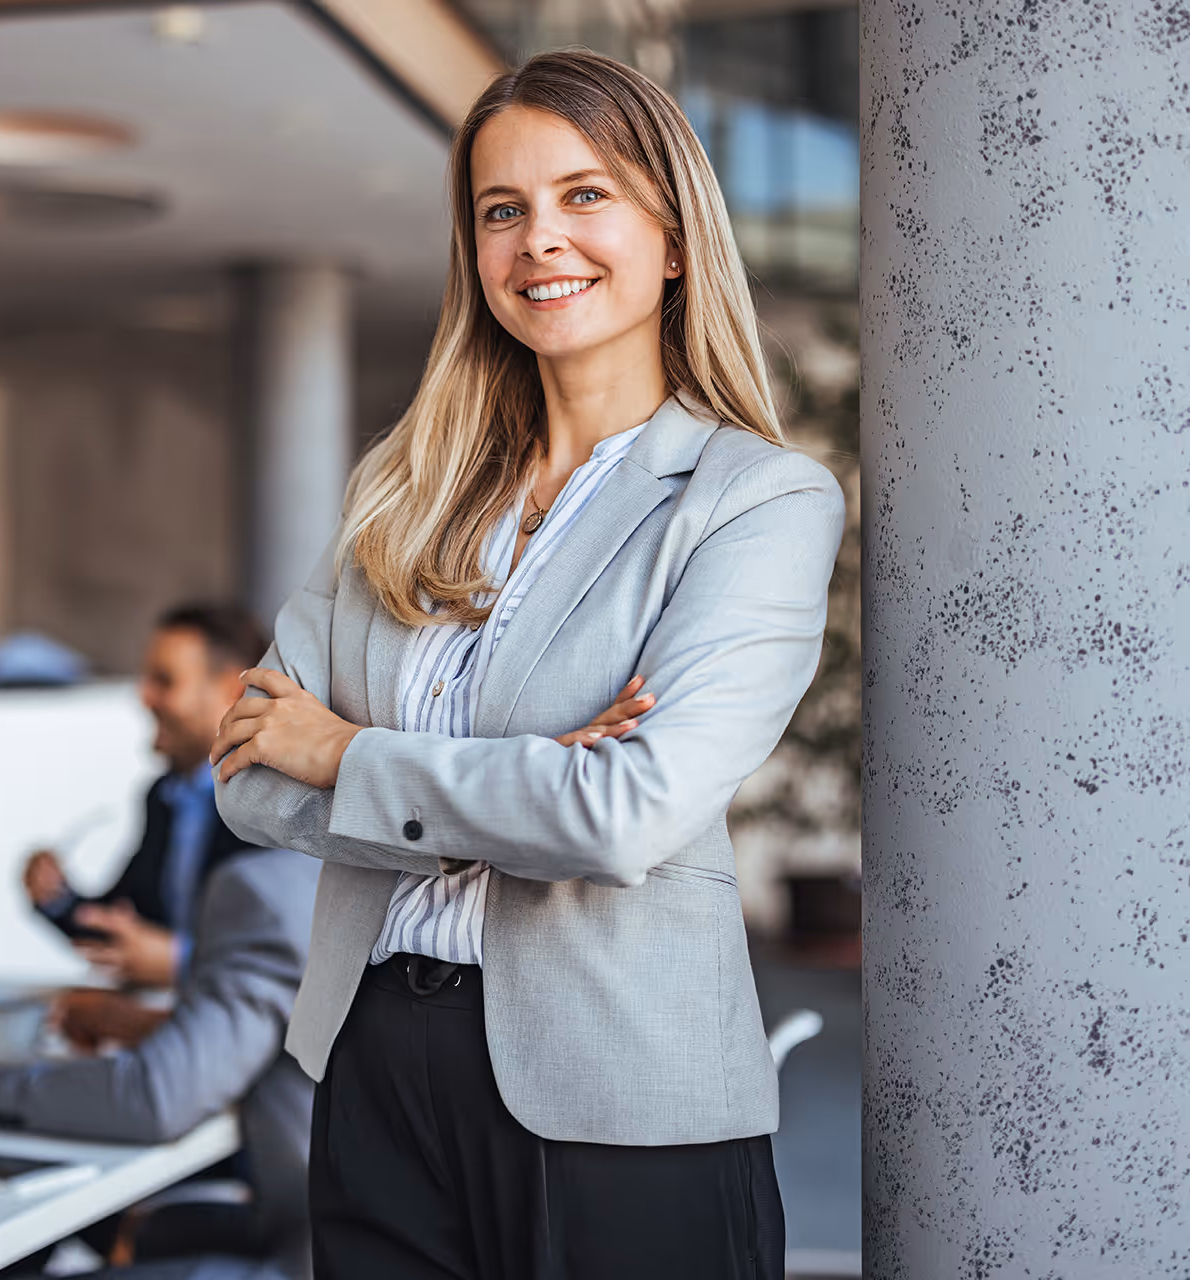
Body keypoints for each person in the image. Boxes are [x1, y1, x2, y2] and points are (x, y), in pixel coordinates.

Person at [211, 50, 844, 1280]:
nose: (539, 239)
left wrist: (349, 754)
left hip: (620, 1079)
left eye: (584, 195)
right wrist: (517, 786)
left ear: (672, 237)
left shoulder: (753, 498)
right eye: (503, 210)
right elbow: (247, 772)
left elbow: (624, 814)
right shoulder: (408, 487)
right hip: (374, 1053)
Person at [0, 843, 320, 1280]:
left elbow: (157, 1099)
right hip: (345, 1227)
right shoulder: (377, 876)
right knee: (132, 1226)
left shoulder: (273, 886)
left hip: (319, 1257)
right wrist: (170, 1028)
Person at [23, 603, 270, 988]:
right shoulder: (165, 796)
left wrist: (179, 963)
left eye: (164, 680)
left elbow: (286, 959)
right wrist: (57, 897)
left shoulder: (280, 804)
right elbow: (127, 925)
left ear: (230, 690)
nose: (144, 697)